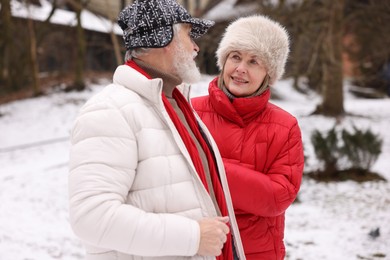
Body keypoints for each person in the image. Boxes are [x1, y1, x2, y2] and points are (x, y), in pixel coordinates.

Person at [68, 0, 245, 259]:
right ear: (163, 39)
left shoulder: (174, 105)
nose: (196, 47)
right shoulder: (111, 110)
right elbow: (90, 216)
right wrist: (193, 237)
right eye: (188, 34)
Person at [191, 15, 304, 260]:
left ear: (269, 73)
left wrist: (213, 167)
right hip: (196, 248)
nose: (241, 68)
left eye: (254, 61)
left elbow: (278, 196)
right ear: (224, 60)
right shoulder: (190, 113)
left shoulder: (285, 126)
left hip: (256, 252)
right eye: (235, 56)